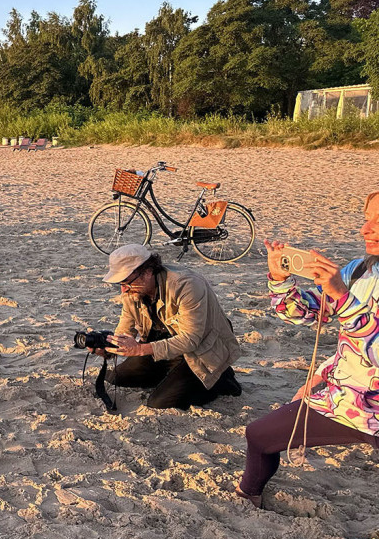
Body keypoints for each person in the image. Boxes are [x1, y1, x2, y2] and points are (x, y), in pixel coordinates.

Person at [236, 191, 379, 508]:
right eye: (367, 219)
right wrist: (280, 278)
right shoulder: (360, 271)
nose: (365, 230)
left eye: (378, 222)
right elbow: (302, 313)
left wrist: (343, 298)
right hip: (349, 401)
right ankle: (248, 497)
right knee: (259, 436)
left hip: (367, 404)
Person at [99, 244, 242, 409]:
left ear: (147, 272)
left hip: (201, 350)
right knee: (115, 378)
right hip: (162, 346)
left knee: (159, 402)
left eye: (126, 281)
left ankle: (222, 378)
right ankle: (171, 375)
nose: (123, 289)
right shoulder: (132, 289)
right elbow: (125, 328)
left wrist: (139, 350)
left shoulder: (186, 285)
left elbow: (191, 339)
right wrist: (108, 348)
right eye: (119, 283)